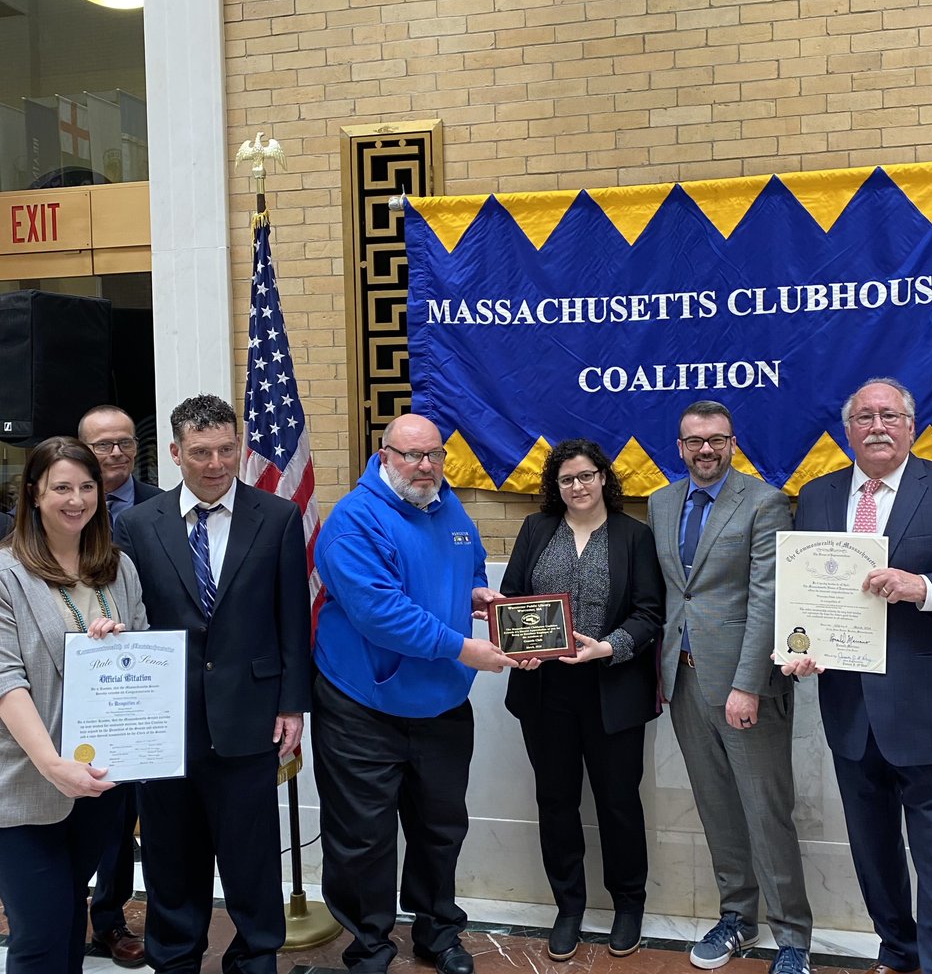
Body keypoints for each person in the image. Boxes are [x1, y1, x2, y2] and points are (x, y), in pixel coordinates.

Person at [788, 378, 932, 974]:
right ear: (848, 432)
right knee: (873, 854)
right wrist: (799, 646)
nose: (877, 427)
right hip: (849, 708)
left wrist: (926, 588)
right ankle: (898, 951)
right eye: (863, 417)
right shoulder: (815, 497)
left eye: (889, 415)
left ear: (911, 426)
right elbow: (807, 595)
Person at [114, 394, 312, 974]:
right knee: (173, 857)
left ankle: (255, 958)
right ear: (175, 453)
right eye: (201, 452)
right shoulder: (135, 525)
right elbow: (125, 613)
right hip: (163, 724)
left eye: (227, 449)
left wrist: (293, 704)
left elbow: (291, 620)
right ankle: (175, 958)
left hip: (251, 716)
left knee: (251, 858)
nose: (216, 463)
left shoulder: (274, 517)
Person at [312, 413, 515, 974]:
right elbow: (381, 614)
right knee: (362, 838)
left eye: (434, 455)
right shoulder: (354, 520)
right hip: (362, 706)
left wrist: (480, 598)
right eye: (411, 455)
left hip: (442, 704)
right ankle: (370, 947)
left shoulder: (447, 505)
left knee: (440, 826)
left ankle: (437, 932)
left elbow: (469, 565)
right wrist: (463, 648)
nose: (425, 467)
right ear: (384, 457)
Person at [646, 402, 812, 974]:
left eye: (716, 439)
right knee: (717, 809)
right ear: (680, 446)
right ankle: (736, 917)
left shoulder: (764, 502)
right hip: (684, 681)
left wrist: (749, 686)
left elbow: (768, 597)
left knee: (766, 812)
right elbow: (675, 596)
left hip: (745, 686)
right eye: (694, 441)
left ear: (733, 443)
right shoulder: (661, 501)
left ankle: (793, 938)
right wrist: (661, 673)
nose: (705, 450)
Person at [501, 439, 663, 962]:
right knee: (556, 802)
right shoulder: (535, 530)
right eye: (567, 479)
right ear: (556, 486)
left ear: (603, 478)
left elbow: (649, 614)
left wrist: (608, 648)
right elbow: (513, 599)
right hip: (545, 692)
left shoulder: (634, 535)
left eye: (587, 476)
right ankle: (568, 907)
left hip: (612, 690)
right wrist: (516, 648)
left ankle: (628, 904)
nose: (578, 486)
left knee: (618, 803)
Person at [0, 436, 147, 974]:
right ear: (34, 494)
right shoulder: (6, 574)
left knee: (68, 918)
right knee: (37, 935)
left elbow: (144, 652)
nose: (76, 499)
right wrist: (51, 764)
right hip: (23, 782)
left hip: (97, 782)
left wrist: (121, 640)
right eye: (61, 487)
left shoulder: (118, 569)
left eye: (86, 486)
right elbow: (4, 679)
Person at [79, 405, 162, 969]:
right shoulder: (52, 511)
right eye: (103, 444)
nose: (115, 453)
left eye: (125, 443)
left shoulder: (165, 507)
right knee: (94, 815)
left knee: (149, 813)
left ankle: (136, 917)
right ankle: (88, 919)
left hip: (148, 685)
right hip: (76, 690)